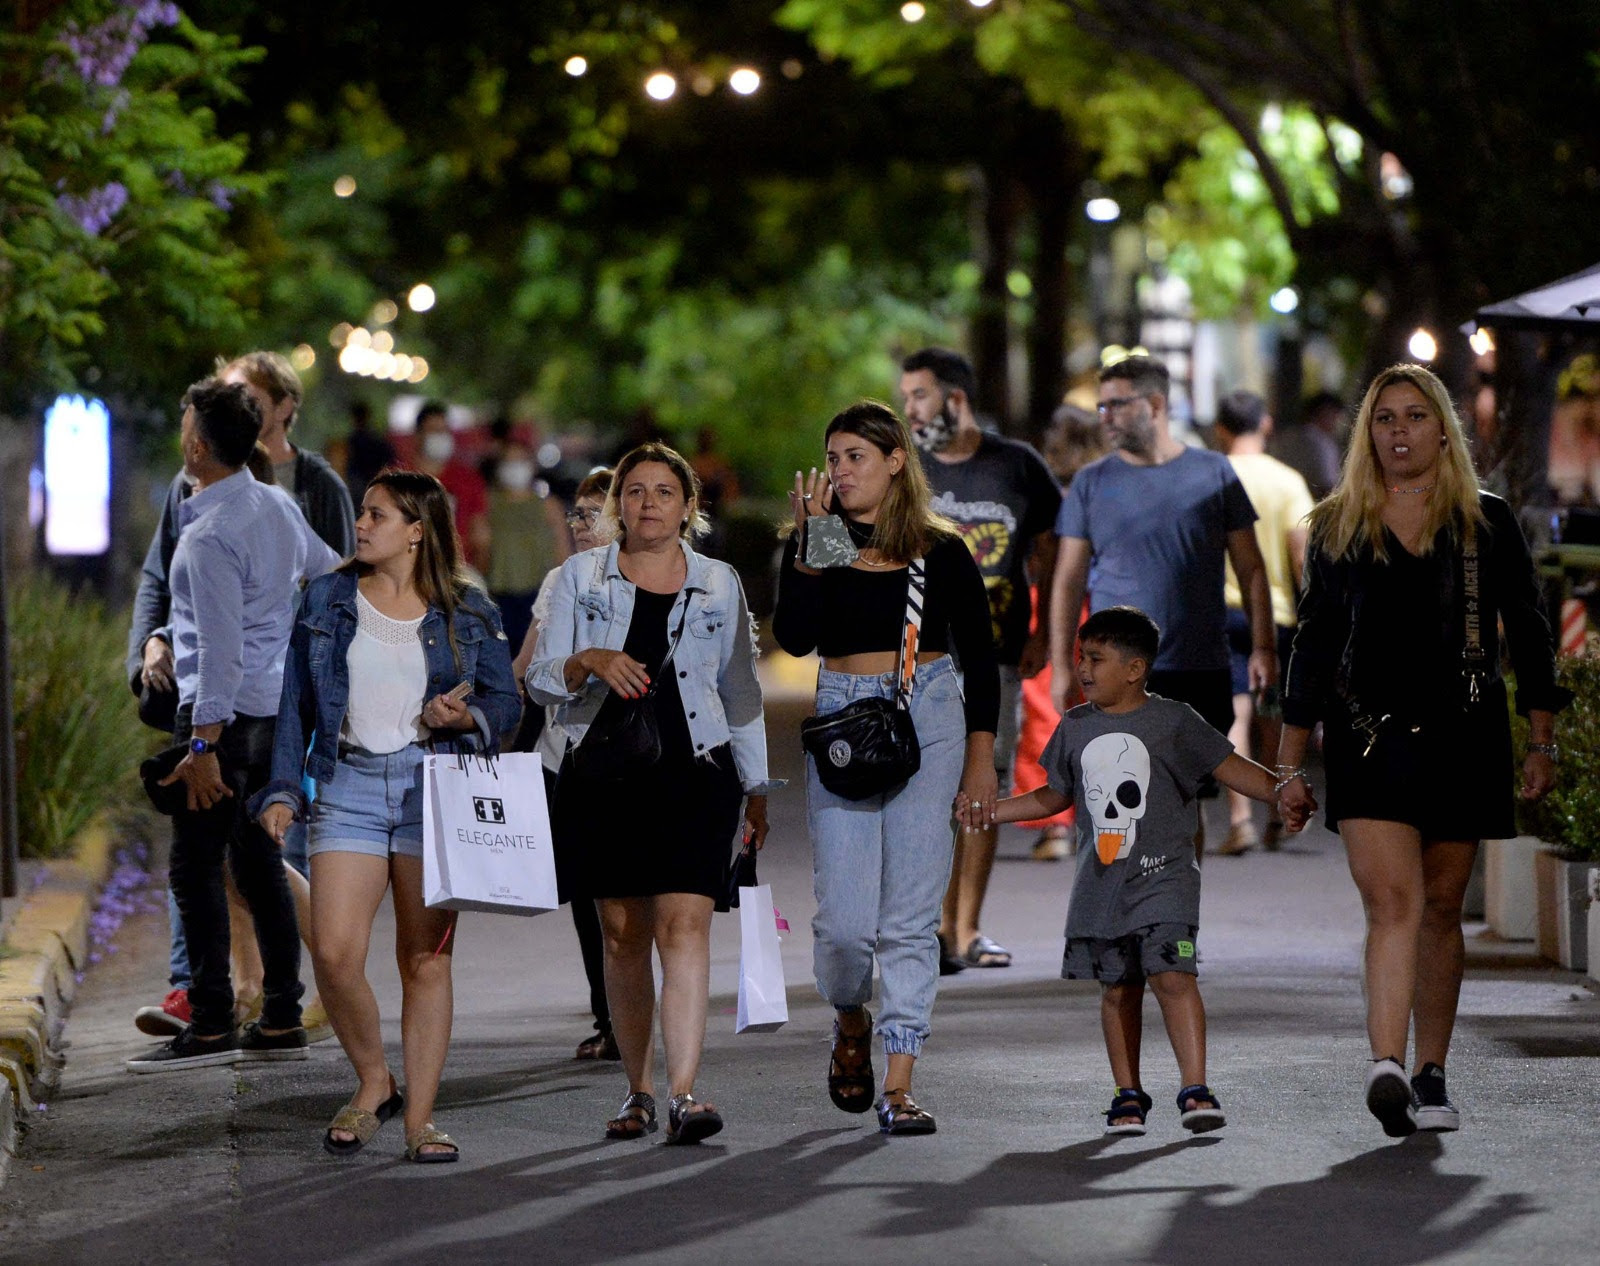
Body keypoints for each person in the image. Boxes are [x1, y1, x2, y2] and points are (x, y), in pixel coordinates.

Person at [1276, 363, 1569, 1138]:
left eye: (1413, 416)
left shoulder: (1486, 521)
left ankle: (1431, 1071)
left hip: (1466, 735)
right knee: (1393, 903)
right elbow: (1312, 644)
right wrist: (1287, 762)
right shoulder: (1338, 522)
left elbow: (1531, 632)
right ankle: (1386, 1065)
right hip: (1369, 740)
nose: (1398, 431)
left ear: (1444, 429)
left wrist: (1542, 736)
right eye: (1383, 418)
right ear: (1367, 433)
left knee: (1441, 908)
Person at [252, 468, 520, 1162]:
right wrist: (284, 789)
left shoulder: (466, 609)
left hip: (432, 789)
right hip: (347, 783)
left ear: (416, 531)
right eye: (363, 513)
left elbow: (507, 703)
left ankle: (420, 1120)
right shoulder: (326, 599)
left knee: (423, 961)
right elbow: (296, 709)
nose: (362, 525)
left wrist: (466, 717)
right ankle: (375, 1078)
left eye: (377, 515)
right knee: (337, 952)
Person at [527, 443, 777, 1145]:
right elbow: (540, 681)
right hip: (603, 772)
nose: (648, 505)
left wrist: (756, 787)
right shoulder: (581, 577)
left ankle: (686, 1092)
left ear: (688, 507)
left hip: (696, 771)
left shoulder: (719, 582)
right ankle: (636, 1089)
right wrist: (583, 660)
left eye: (664, 492)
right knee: (623, 933)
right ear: (618, 506)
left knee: (685, 926)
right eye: (635, 492)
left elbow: (742, 692)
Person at [775, 402, 999, 1136]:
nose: (839, 472)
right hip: (844, 717)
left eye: (854, 458)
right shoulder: (824, 540)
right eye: (832, 459)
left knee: (908, 917)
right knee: (844, 926)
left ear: (896, 460)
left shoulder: (942, 549)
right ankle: (850, 1016)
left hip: (928, 714)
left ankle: (899, 1081)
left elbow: (982, 661)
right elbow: (798, 638)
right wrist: (810, 545)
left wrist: (980, 763)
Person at [995, 606, 1301, 1136]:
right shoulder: (1075, 727)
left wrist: (1280, 790)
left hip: (1167, 881)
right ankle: (1128, 1094)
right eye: (1081, 658)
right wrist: (994, 810)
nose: (1084, 669)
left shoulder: (1175, 721)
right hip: (1102, 887)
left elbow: (1229, 767)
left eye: (1097, 658)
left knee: (1174, 976)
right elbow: (1054, 795)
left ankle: (1195, 1088)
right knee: (1118, 988)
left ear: (1135, 669)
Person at [128, 350, 354, 1039]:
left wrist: (201, 746)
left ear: (197, 446)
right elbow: (329, 569)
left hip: (223, 717)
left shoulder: (208, 537)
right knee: (257, 861)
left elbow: (217, 654)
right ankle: (282, 1012)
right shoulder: (276, 506)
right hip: (272, 705)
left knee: (194, 868)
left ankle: (213, 1015)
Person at [1050, 355, 1277, 857]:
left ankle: (1174, 929)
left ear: (1155, 405)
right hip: (1115, 674)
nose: (1104, 415)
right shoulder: (1091, 483)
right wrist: (1063, 667)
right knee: (1112, 801)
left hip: (1197, 667)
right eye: (1101, 405)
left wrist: (1264, 647)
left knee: (1181, 804)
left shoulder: (1214, 473)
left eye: (1116, 404)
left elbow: (1252, 568)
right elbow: (1067, 581)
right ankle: (1119, 926)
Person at [900, 347, 1062, 972]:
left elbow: (1050, 552)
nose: (909, 408)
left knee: (983, 783)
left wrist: (1045, 631)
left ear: (954, 397)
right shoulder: (904, 466)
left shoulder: (1017, 466)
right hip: (922, 658)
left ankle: (967, 929)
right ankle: (933, 927)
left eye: (918, 395)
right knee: (928, 790)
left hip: (994, 656)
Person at [511, 466, 618, 1061]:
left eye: (591, 514)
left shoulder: (645, 577)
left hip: (633, 761)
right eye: (575, 514)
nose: (579, 525)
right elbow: (525, 670)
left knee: (629, 895)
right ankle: (608, 1017)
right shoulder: (558, 580)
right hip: (564, 760)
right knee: (585, 893)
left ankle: (634, 1008)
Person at [1211, 390, 1314, 855]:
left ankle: (1240, 819)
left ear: (1221, 429)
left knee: (1235, 714)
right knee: (1273, 712)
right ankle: (1277, 810)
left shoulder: (1212, 475)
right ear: (1266, 424)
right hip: (1275, 616)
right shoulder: (1288, 481)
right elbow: (1301, 554)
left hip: (1221, 609)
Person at [1021, 401, 1109, 861]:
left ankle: (1055, 823)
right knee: (1105, 709)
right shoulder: (1108, 489)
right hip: (1105, 605)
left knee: (1045, 708)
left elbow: (1039, 559)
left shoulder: (1050, 494)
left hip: (1052, 603)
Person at [485, 438, 570, 654]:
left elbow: (563, 551)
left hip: (539, 596)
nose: (515, 467)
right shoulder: (488, 504)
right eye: (508, 461)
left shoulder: (548, 506)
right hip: (498, 598)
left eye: (520, 460)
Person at [411, 400, 490, 570]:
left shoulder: (469, 480)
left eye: (444, 430)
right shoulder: (399, 479)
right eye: (434, 430)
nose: (440, 436)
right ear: (418, 435)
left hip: (455, 573)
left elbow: (481, 537)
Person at [1271, 389, 1346, 501]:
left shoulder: (1287, 437)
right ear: (1324, 413)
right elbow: (1327, 483)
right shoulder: (1321, 442)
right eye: (1336, 416)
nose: (1337, 422)